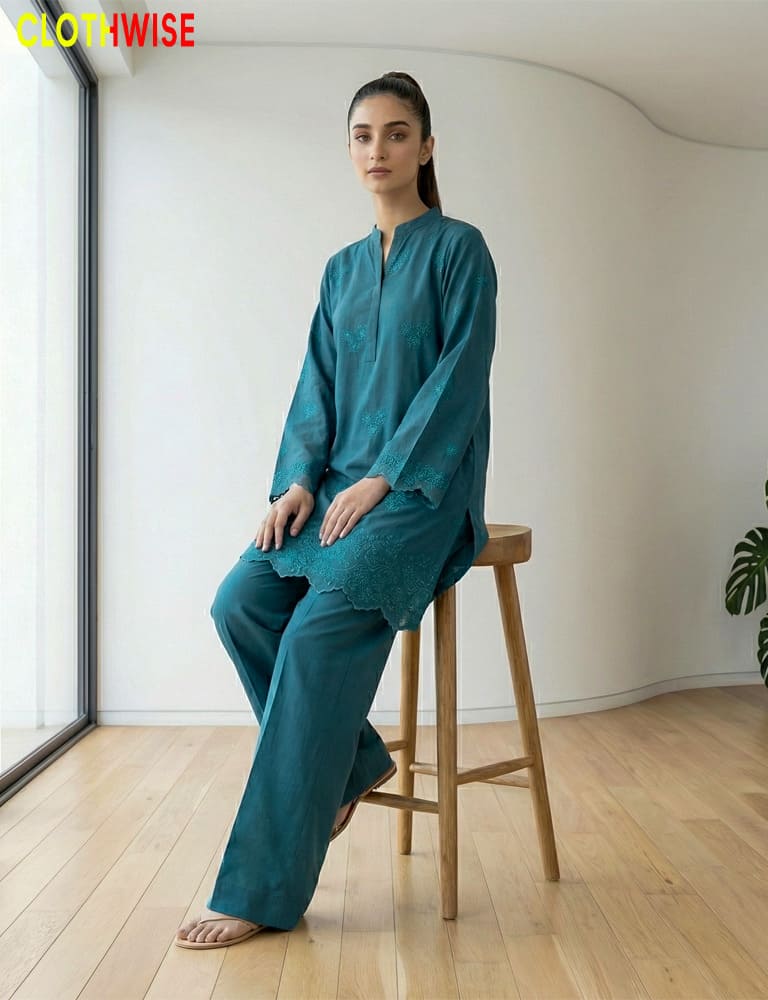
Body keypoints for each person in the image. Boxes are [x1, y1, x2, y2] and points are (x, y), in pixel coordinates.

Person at [175, 70, 498, 949]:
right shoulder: (341, 269)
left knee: (318, 632)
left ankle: (261, 889)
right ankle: (350, 763)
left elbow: (459, 382)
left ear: (426, 148)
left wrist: (384, 478)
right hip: (339, 485)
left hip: (424, 490)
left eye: (397, 134)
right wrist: (299, 484)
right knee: (240, 601)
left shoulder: (460, 249)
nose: (377, 151)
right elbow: (316, 384)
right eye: (362, 135)